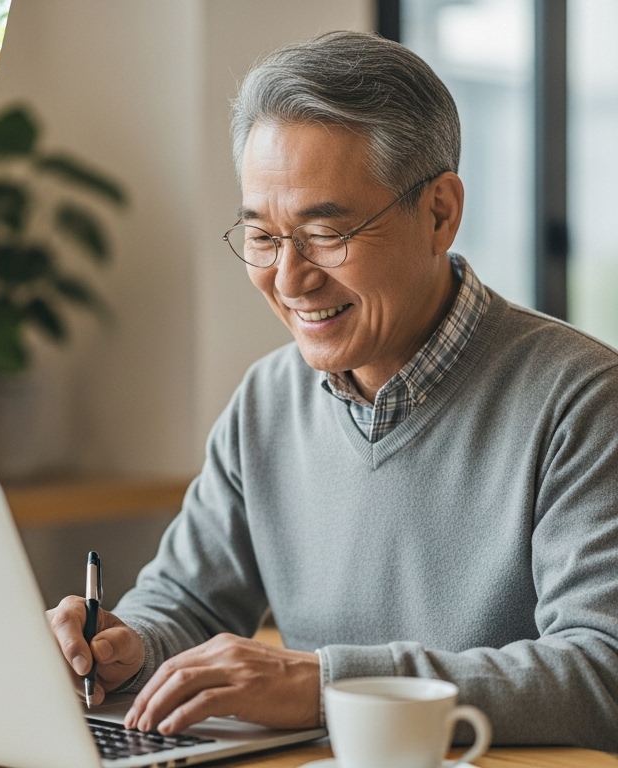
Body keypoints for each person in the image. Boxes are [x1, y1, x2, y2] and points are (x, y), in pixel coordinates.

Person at [47, 31, 618, 750]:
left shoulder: (583, 401)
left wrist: (325, 685)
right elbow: (186, 603)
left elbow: (603, 672)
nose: (290, 280)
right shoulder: (267, 400)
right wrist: (124, 646)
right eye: (262, 237)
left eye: (324, 233)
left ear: (439, 213)